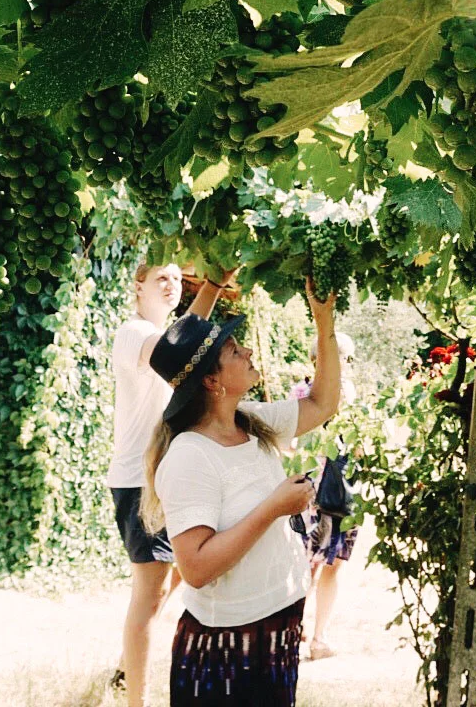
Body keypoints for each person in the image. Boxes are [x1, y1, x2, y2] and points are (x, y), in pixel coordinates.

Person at [143, 280, 340, 707]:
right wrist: (273, 507)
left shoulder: (247, 419)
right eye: (235, 350)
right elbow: (194, 567)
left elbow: (323, 404)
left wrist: (323, 321)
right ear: (212, 381)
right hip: (227, 648)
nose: (248, 352)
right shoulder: (190, 456)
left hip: (274, 629)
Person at [105, 263, 229, 707]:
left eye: (178, 279)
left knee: (178, 575)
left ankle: (124, 667)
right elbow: (179, 353)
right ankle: (134, 698)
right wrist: (213, 287)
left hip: (167, 478)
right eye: (161, 278)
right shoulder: (134, 332)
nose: (172, 285)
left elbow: (186, 344)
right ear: (137, 286)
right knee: (152, 593)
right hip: (141, 481)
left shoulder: (160, 334)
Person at [291, 332, 359, 661]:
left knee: (318, 565)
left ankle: (309, 634)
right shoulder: (315, 393)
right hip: (324, 492)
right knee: (319, 565)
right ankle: (310, 635)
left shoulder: (308, 392)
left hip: (320, 490)